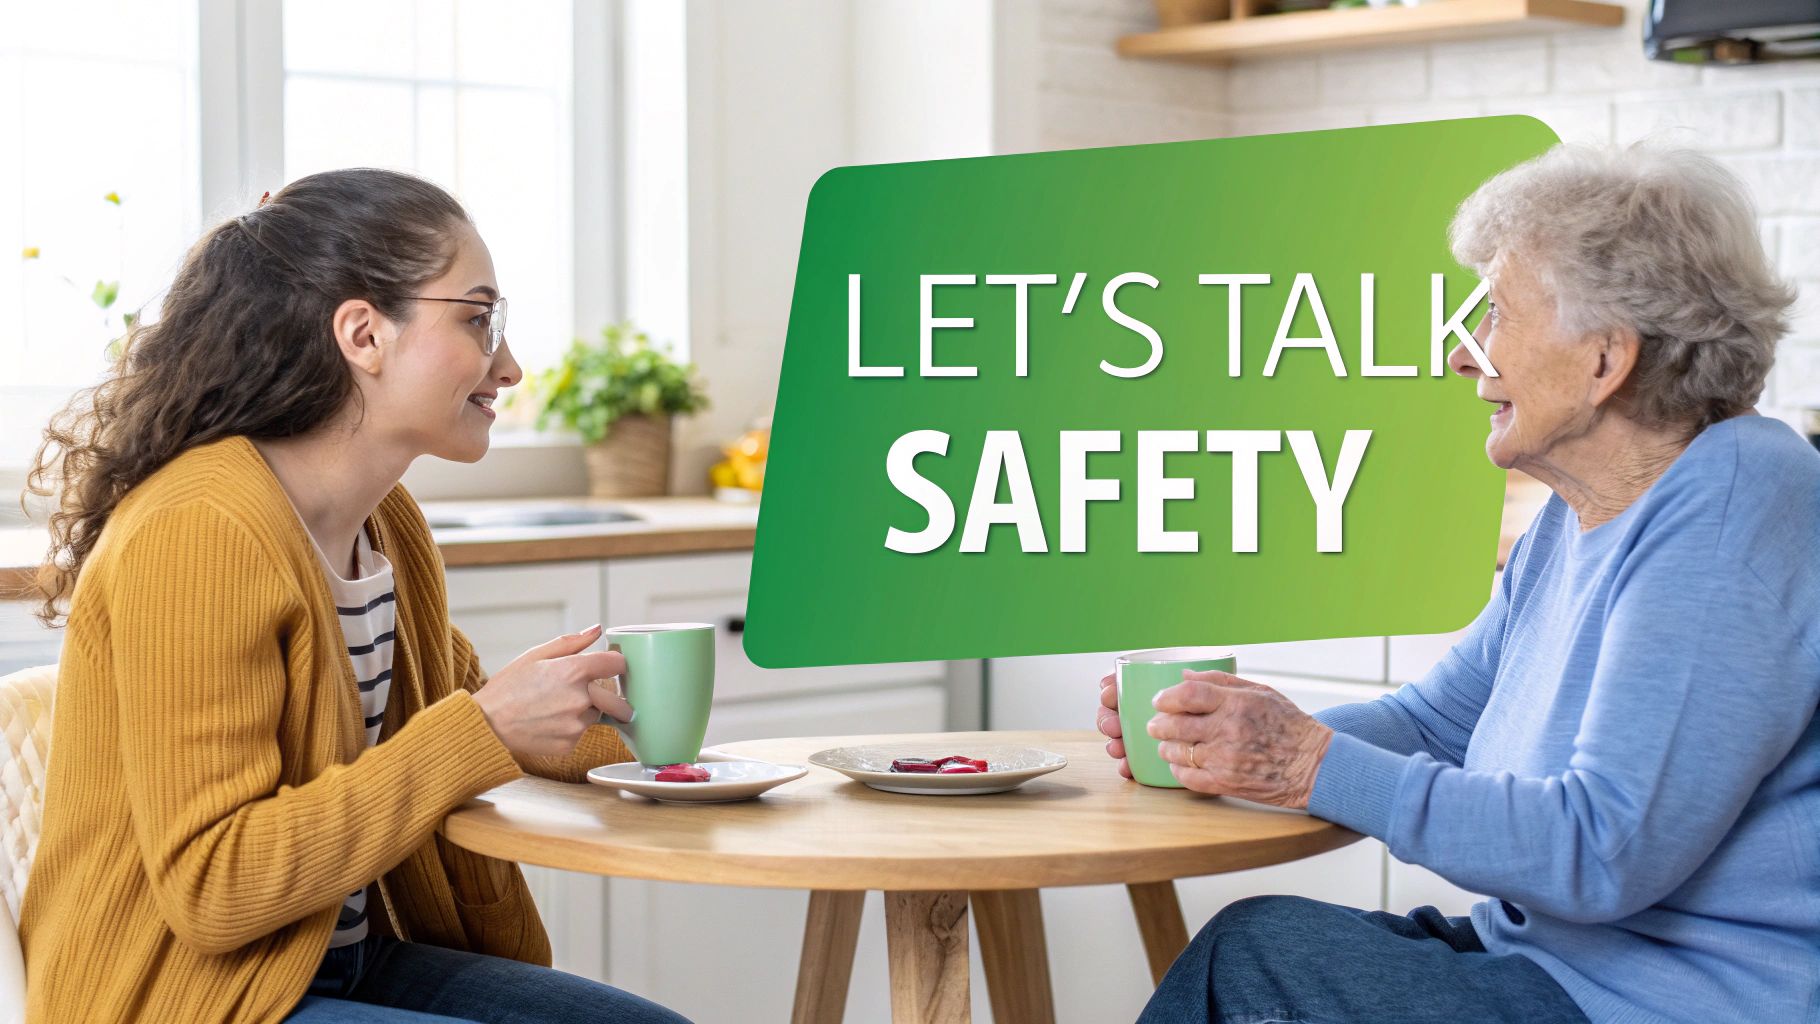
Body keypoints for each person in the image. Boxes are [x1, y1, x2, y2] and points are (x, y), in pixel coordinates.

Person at [1097, 143, 1820, 1023]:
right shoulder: (1584, 509)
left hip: (1672, 999)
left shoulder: (1729, 506)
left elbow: (1601, 851)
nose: (1464, 356)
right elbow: (1436, 721)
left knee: (1257, 962)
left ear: (1604, 360)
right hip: (1562, 960)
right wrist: (1225, 741)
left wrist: (1301, 761)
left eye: (1495, 316)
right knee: (1257, 943)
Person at [18, 169, 690, 1024]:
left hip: (330, 964)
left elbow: (455, 719)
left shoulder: (387, 523)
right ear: (364, 334)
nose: (510, 366)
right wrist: (486, 726)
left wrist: (642, 737)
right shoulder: (201, 530)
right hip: (188, 999)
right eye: (478, 320)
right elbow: (214, 884)